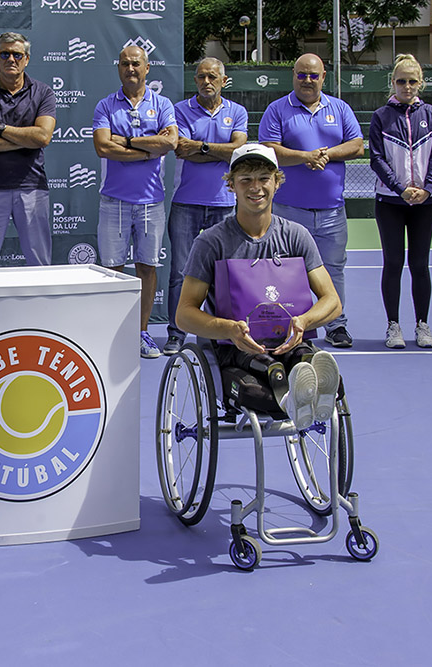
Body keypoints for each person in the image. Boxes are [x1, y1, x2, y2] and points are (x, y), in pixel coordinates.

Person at [176, 144, 341, 430]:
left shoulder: (295, 236)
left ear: (277, 182)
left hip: (291, 344)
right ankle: (292, 400)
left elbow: (332, 302)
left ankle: (303, 393)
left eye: (264, 178)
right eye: (246, 180)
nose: (256, 187)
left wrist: (304, 321)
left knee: (315, 369)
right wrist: (229, 329)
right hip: (237, 350)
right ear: (232, 186)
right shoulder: (211, 242)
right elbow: (184, 314)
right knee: (256, 390)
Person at [259, 53, 363, 348]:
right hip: (289, 210)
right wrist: (306, 157)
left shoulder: (340, 108)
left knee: (333, 270)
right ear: (294, 75)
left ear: (323, 77)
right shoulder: (278, 109)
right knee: (285, 270)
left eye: (313, 75)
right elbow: (269, 149)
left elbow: (357, 145)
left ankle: (336, 325)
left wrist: (326, 154)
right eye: (301, 74)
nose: (307, 80)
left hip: (332, 211)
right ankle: (285, 324)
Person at [92, 44, 178, 359]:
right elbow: (103, 146)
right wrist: (147, 150)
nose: (131, 69)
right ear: (119, 68)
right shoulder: (105, 105)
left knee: (147, 267)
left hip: (151, 202)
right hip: (113, 200)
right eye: (125, 63)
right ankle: (115, 335)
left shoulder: (163, 103)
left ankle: (141, 333)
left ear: (147, 67)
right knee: (113, 271)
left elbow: (170, 141)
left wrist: (126, 141)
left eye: (136, 64)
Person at [164, 57, 248, 355]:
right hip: (186, 203)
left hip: (225, 204)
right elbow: (181, 150)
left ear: (223, 80)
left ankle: (220, 332)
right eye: (200, 77)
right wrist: (217, 151)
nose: (206, 82)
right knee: (180, 272)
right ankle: (176, 332)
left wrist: (201, 147)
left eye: (212, 76)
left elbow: (238, 151)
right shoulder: (179, 110)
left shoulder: (237, 112)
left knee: (224, 273)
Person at [369, 54, 432, 349]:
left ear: (420, 83)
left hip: (425, 202)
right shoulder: (381, 116)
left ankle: (422, 325)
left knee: (420, 264)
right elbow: (375, 158)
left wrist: (428, 187)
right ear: (393, 83)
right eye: (401, 81)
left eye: (412, 81)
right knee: (394, 263)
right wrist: (400, 189)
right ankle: (393, 326)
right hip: (390, 202)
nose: (407, 86)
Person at [0, 31, 56, 267]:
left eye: (17, 54)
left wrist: (0, 128)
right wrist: (25, 138)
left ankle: (42, 306)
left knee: (40, 265)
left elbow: (43, 136)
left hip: (32, 187)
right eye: (4, 54)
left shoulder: (43, 92)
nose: (10, 59)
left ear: (26, 59)